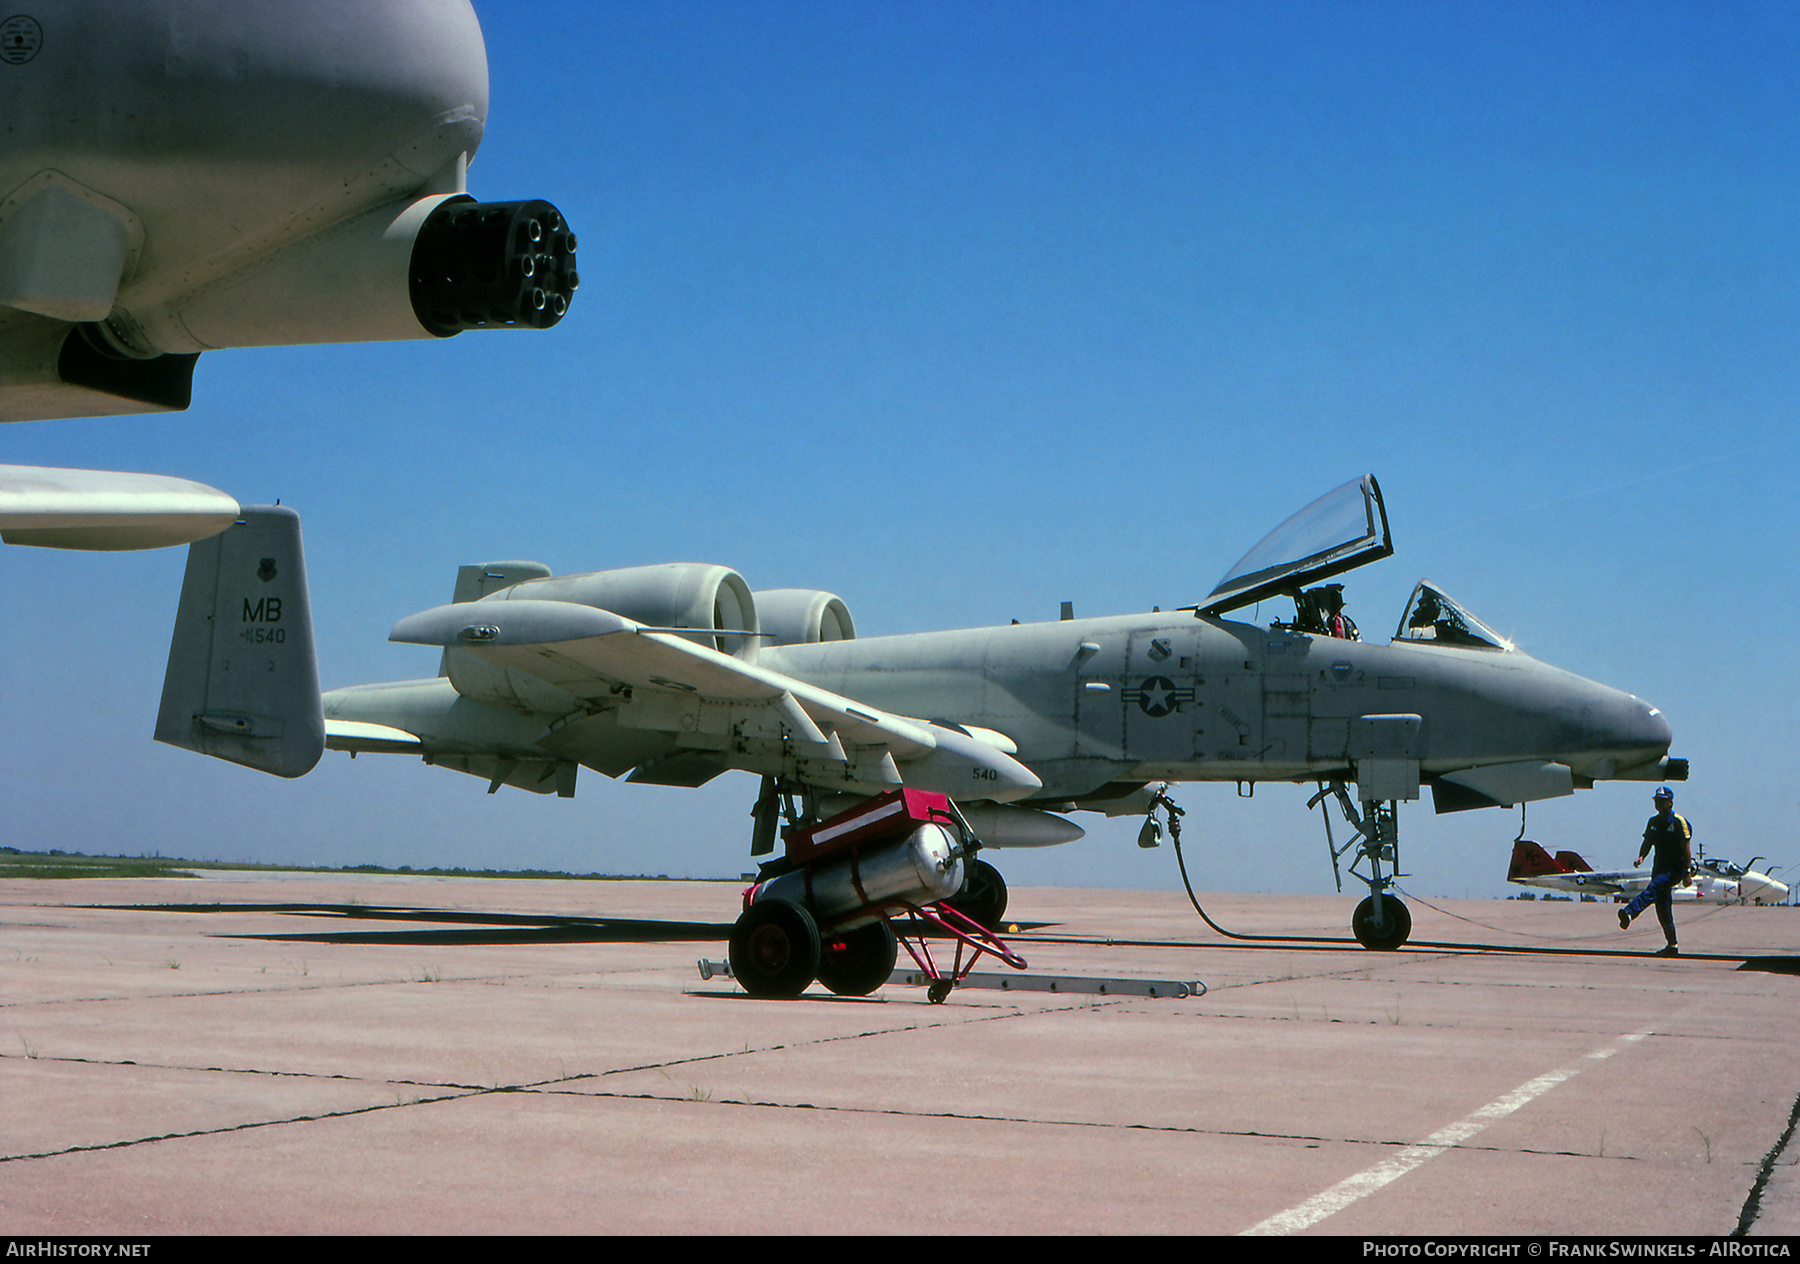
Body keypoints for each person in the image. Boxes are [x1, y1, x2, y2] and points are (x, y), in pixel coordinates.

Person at [1617, 786, 1693, 955]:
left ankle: (1629, 912)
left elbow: (1686, 848)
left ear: (1670, 803)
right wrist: (1641, 856)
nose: (1658, 803)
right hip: (1659, 867)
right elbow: (1648, 842)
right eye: (1656, 800)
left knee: (1653, 887)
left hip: (1675, 868)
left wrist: (1687, 872)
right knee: (1663, 908)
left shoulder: (1680, 822)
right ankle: (1672, 945)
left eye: (1661, 800)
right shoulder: (1653, 822)